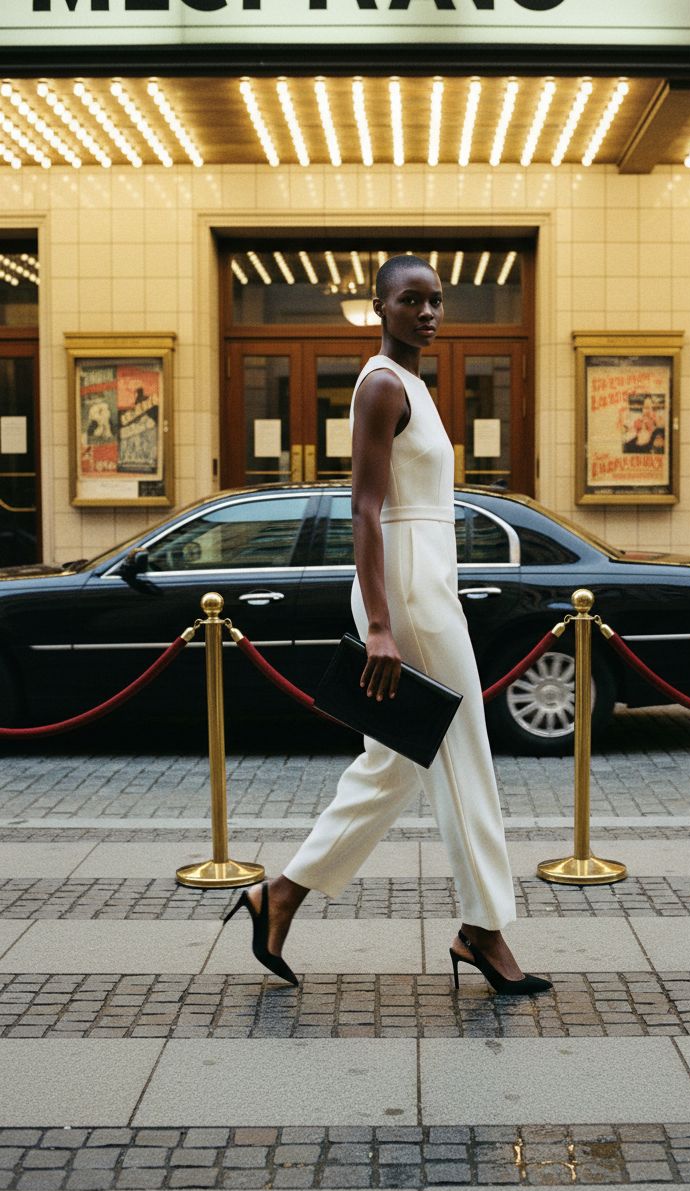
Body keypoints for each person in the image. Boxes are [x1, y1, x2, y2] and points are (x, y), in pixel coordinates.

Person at [223, 254, 550, 996]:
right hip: (404, 589)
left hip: (424, 579)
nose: (429, 313)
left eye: (437, 301)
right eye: (412, 300)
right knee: (463, 750)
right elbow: (365, 510)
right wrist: (379, 625)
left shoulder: (412, 385)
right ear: (380, 308)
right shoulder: (378, 385)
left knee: (395, 763)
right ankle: (485, 930)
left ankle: (279, 897)